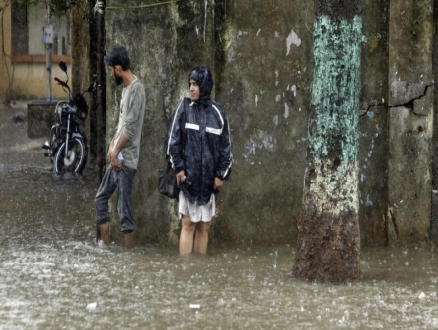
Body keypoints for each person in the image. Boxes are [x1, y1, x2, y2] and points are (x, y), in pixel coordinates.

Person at [165, 67, 232, 255]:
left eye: (195, 84)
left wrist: (220, 175)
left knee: (205, 226)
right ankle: (186, 270)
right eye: (190, 84)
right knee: (187, 224)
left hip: (209, 182)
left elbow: (226, 148)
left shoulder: (218, 113)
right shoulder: (184, 109)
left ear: (205, 85)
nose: (191, 89)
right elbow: (173, 141)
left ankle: (199, 269)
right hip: (188, 180)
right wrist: (179, 169)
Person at [95, 46, 146, 249]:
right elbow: (121, 125)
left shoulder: (137, 90)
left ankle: (129, 256)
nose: (109, 74)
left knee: (124, 210)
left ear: (118, 68)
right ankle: (106, 247)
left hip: (127, 161)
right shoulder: (126, 90)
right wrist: (111, 145)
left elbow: (131, 129)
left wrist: (116, 151)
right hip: (117, 157)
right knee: (100, 198)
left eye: (110, 70)